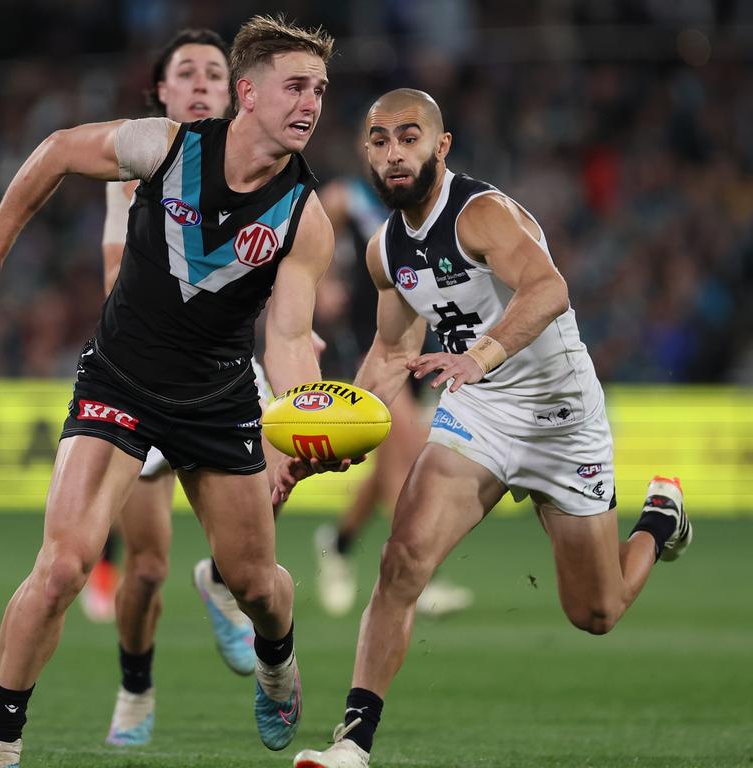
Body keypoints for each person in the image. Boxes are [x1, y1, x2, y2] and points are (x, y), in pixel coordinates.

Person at [0, 16, 340, 767]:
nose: (312, 103)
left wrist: (293, 428)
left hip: (218, 401)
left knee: (256, 583)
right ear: (248, 93)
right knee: (63, 565)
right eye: (296, 86)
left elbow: (289, 340)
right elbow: (60, 148)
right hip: (119, 384)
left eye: (321, 90)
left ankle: (277, 663)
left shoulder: (305, 216)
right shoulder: (166, 149)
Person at [285, 89, 692, 768]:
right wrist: (331, 435)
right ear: (366, 153)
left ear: (440, 148)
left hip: (562, 419)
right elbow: (389, 355)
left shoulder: (481, 214)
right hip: (481, 412)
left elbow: (549, 288)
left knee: (596, 613)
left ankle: (658, 519)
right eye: (379, 140)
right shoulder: (386, 252)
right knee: (402, 561)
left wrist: (478, 356)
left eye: (409, 138)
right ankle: (352, 742)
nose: (393, 153)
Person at [89, 27, 269, 747]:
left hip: (221, 377)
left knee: (273, 488)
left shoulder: (266, 168)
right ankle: (135, 688)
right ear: (159, 93)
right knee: (150, 564)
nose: (200, 84)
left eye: (214, 75)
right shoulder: (136, 170)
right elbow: (112, 279)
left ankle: (224, 582)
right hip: (142, 374)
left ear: (235, 94)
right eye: (185, 73)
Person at [313, 160, 473, 619]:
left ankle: (339, 544)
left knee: (392, 459)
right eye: (383, 144)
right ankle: (418, 577)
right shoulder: (354, 197)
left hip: (417, 343)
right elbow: (319, 220)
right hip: (368, 345)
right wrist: (322, 282)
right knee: (406, 447)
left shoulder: (429, 214)